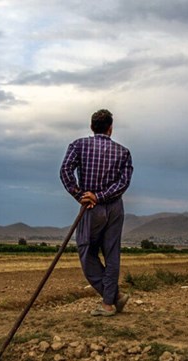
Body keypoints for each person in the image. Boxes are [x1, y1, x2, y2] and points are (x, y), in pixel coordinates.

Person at [60, 109, 133, 317]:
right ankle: (111, 301)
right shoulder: (123, 152)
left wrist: (82, 195)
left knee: (85, 250)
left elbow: (65, 170)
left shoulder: (78, 145)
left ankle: (111, 300)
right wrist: (100, 196)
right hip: (115, 207)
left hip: (91, 209)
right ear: (110, 128)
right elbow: (123, 183)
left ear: (92, 128)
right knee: (112, 254)